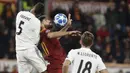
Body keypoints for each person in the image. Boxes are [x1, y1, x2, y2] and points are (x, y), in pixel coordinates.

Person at [15, 2, 47, 73]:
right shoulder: (37, 22)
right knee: (44, 69)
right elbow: (36, 41)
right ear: (40, 13)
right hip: (30, 49)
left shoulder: (20, 13)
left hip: (19, 50)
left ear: (34, 7)